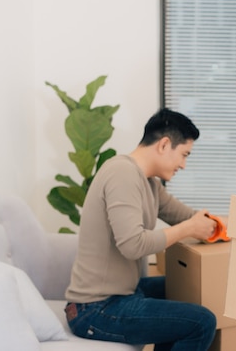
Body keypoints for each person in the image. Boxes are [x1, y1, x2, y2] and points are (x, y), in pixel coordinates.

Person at [65, 108, 219, 350]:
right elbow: (133, 245)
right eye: (184, 155)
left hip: (123, 292)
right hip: (95, 308)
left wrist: (223, 224)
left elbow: (186, 216)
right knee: (201, 322)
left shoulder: (149, 183)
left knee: (188, 283)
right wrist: (189, 228)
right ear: (164, 144)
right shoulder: (121, 173)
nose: (184, 165)